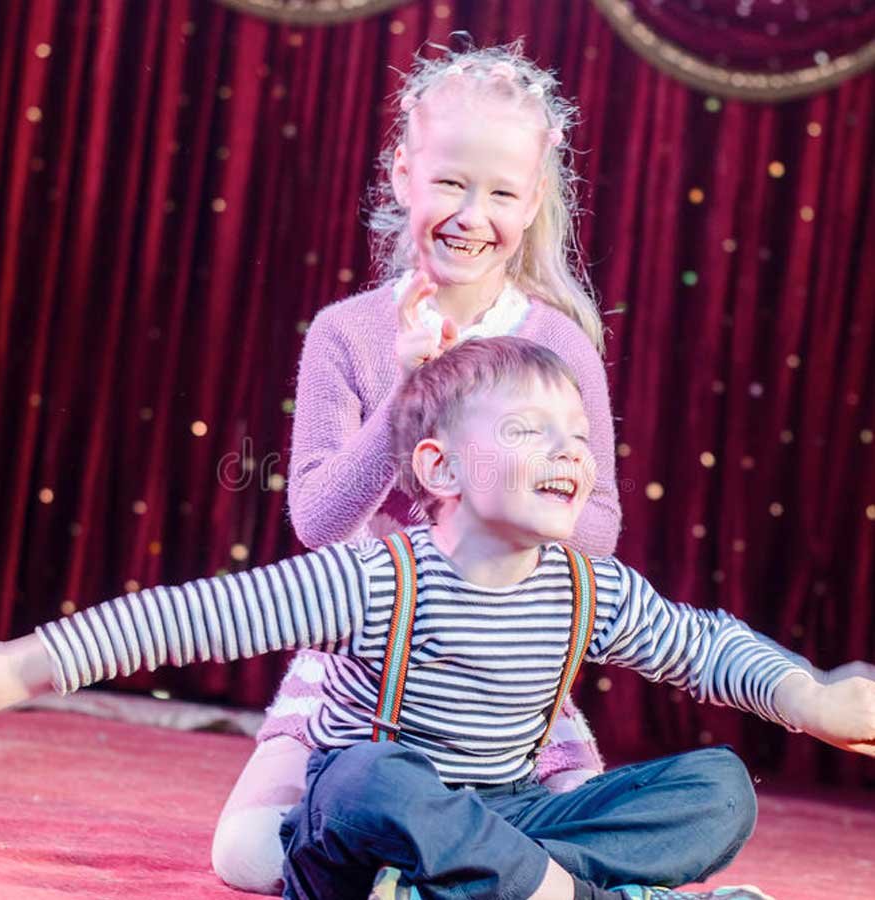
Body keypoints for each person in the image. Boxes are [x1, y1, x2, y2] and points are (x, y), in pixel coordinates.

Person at [0, 338, 874, 900]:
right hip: (369, 829)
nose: (569, 451)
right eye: (529, 431)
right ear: (440, 470)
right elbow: (192, 618)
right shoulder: (379, 578)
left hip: (508, 819)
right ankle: (569, 896)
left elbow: (705, 646)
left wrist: (814, 697)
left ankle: (485, 886)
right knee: (370, 778)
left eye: (578, 439)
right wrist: (17, 667)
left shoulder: (587, 588)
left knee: (718, 788)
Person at [211, 42, 623, 893]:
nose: (473, 214)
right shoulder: (346, 333)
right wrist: (405, 397)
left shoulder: (558, 347)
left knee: (616, 831)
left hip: (504, 667)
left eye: (503, 192)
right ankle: (455, 869)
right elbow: (318, 522)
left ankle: (450, 859)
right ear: (404, 176)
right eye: (450, 183)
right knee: (247, 853)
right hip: (366, 663)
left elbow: (602, 527)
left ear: (534, 200)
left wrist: (495, 495)